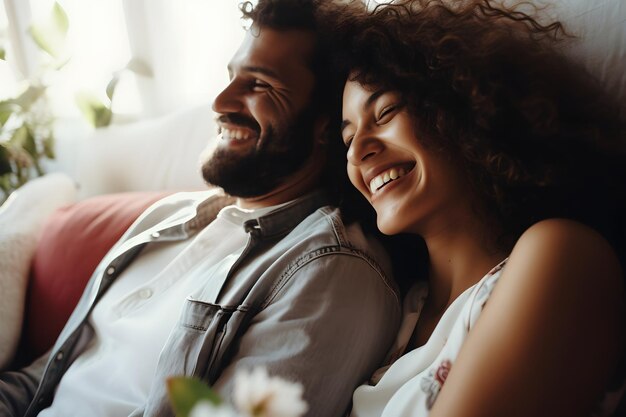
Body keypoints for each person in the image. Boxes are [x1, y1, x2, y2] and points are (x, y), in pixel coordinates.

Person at [0, 1, 402, 416]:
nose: (221, 102)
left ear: (327, 125)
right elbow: (41, 380)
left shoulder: (332, 274)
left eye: (260, 85)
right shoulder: (166, 218)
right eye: (231, 77)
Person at [336, 0, 626, 416]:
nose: (360, 150)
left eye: (385, 112)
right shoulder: (401, 309)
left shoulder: (561, 254)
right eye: (348, 139)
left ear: (462, 105)